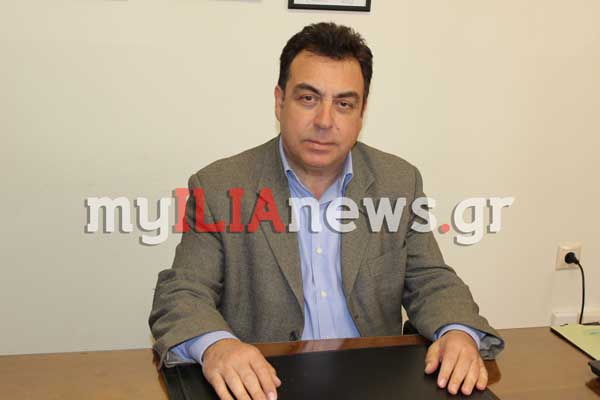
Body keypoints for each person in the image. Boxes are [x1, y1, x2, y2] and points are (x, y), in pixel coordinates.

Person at [149, 22, 504, 400]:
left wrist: (457, 332)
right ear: (279, 101)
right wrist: (218, 346)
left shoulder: (398, 181)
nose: (324, 121)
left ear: (361, 112)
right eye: (308, 98)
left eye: (344, 104)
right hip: (265, 385)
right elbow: (182, 292)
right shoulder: (219, 187)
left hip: (374, 384)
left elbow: (431, 279)